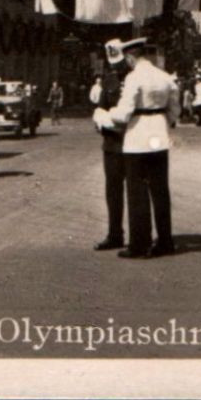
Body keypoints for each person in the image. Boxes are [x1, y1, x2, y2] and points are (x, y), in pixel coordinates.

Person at [100, 38, 180, 259]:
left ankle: (139, 243)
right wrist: (164, 121)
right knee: (160, 191)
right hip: (160, 136)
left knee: (138, 194)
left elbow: (124, 113)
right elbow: (175, 109)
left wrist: (104, 116)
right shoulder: (165, 76)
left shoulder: (134, 78)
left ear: (129, 57)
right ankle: (165, 240)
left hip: (137, 139)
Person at [90, 49, 129, 251]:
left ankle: (140, 235)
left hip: (133, 144)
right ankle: (115, 234)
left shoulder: (135, 78)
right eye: (113, 63)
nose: (117, 67)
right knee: (113, 192)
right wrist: (100, 121)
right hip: (112, 144)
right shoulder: (109, 80)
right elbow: (100, 108)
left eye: (119, 62)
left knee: (136, 192)